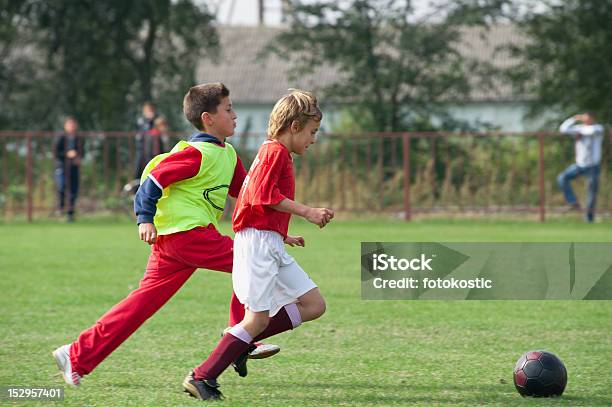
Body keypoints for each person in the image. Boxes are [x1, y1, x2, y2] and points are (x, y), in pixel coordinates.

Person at [53, 83, 278, 387]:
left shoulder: (227, 154)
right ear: (207, 118)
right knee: (250, 260)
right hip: (188, 235)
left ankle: (76, 355)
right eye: (228, 109)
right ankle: (240, 335)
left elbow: (248, 194)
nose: (235, 115)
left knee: (139, 306)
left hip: (175, 243)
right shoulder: (198, 153)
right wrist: (144, 219)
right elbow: (153, 182)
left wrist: (274, 228)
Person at [183, 89, 334, 400]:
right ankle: (202, 376)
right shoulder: (274, 152)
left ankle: (238, 343)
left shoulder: (276, 153)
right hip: (258, 246)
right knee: (256, 319)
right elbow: (263, 196)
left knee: (314, 305)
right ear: (294, 127)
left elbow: (254, 203)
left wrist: (282, 233)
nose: (314, 139)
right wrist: (307, 211)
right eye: (312, 132)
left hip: (269, 242)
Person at [557, 112, 604, 222]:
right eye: (584, 119)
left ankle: (589, 218)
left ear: (593, 119)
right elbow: (563, 129)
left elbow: (591, 131)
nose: (586, 120)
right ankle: (573, 202)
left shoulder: (598, 128)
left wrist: (578, 131)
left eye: (588, 118)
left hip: (593, 166)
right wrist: (574, 119)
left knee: (591, 192)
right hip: (579, 165)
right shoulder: (579, 128)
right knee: (562, 178)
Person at [54, 116, 84, 222]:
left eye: (73, 124)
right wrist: (67, 154)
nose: (72, 126)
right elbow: (56, 153)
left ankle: (70, 213)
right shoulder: (61, 137)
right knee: (61, 187)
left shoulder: (78, 138)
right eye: (69, 124)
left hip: (74, 168)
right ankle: (60, 208)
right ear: (65, 126)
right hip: (62, 167)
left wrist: (78, 158)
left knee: (73, 190)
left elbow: (81, 153)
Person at [134, 101, 163, 179]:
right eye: (147, 110)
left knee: (155, 168)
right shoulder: (141, 120)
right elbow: (140, 132)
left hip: (155, 149)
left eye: (151, 110)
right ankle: (137, 188)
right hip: (142, 148)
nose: (149, 112)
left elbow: (162, 129)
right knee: (138, 169)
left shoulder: (158, 119)